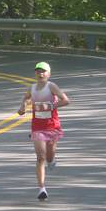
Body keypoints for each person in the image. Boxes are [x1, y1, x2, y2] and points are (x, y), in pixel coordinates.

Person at [17, 61, 70, 201]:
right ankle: (42, 189)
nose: (40, 74)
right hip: (37, 126)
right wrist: (22, 107)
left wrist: (51, 106)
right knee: (40, 157)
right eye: (38, 71)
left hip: (52, 125)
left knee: (49, 156)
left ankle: (51, 161)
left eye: (43, 71)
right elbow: (26, 99)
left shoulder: (51, 86)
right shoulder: (32, 88)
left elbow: (66, 100)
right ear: (35, 73)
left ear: (49, 74)